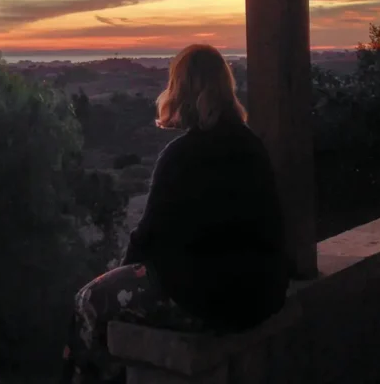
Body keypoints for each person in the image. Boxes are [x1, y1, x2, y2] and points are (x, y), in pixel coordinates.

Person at [62, 44, 289, 384]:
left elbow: (146, 237)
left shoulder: (181, 155)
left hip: (210, 300)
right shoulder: (251, 146)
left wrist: (125, 274)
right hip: (262, 295)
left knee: (88, 301)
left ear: (181, 90)